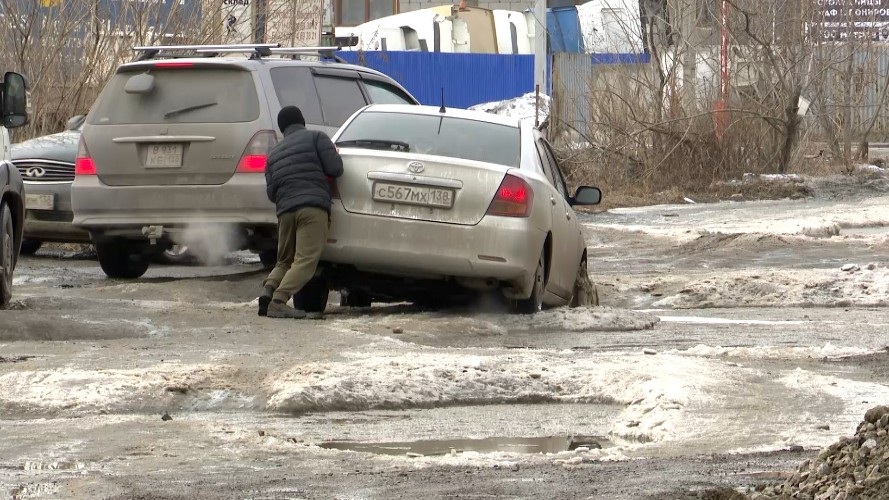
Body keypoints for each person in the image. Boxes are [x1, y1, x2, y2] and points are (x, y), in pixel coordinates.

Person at [258, 106, 344, 319]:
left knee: (283, 261)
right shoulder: (316, 138)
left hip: (285, 212)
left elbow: (271, 193)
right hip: (312, 208)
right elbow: (336, 169)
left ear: (282, 128)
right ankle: (279, 301)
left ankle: (267, 292)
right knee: (305, 261)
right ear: (302, 120)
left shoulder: (273, 155)